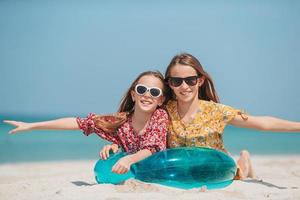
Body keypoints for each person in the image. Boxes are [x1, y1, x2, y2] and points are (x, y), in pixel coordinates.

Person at [164, 53, 300, 180]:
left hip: (218, 170)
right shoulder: (165, 110)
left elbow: (262, 123)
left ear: (200, 80)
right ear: (170, 84)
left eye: (190, 80)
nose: (184, 86)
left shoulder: (215, 111)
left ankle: (244, 159)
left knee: (239, 174)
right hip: (183, 173)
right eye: (177, 81)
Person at [4, 71, 169, 175]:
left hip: (160, 172)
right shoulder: (121, 122)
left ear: (160, 100)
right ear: (134, 95)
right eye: (142, 89)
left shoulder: (160, 116)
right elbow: (78, 123)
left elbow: (152, 147)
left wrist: (128, 159)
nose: (147, 95)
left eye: (154, 92)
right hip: (136, 173)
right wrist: (32, 126)